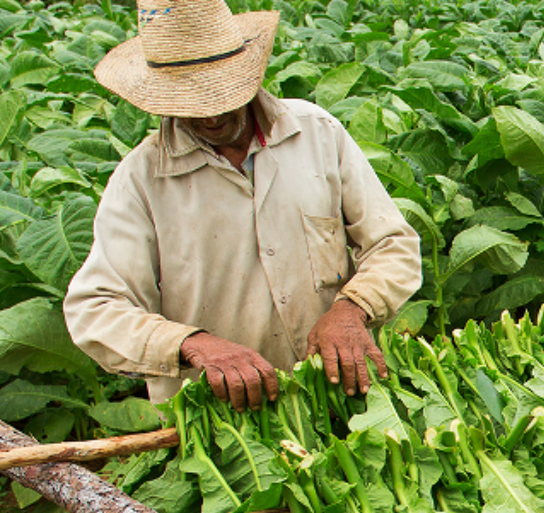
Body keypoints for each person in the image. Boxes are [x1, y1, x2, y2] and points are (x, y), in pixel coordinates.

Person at [65, 0, 421, 410]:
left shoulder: (318, 134)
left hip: (339, 398)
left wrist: (353, 308)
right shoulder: (141, 179)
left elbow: (393, 244)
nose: (209, 118)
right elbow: (95, 309)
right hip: (221, 423)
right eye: (187, 104)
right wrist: (192, 344)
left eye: (219, 97)